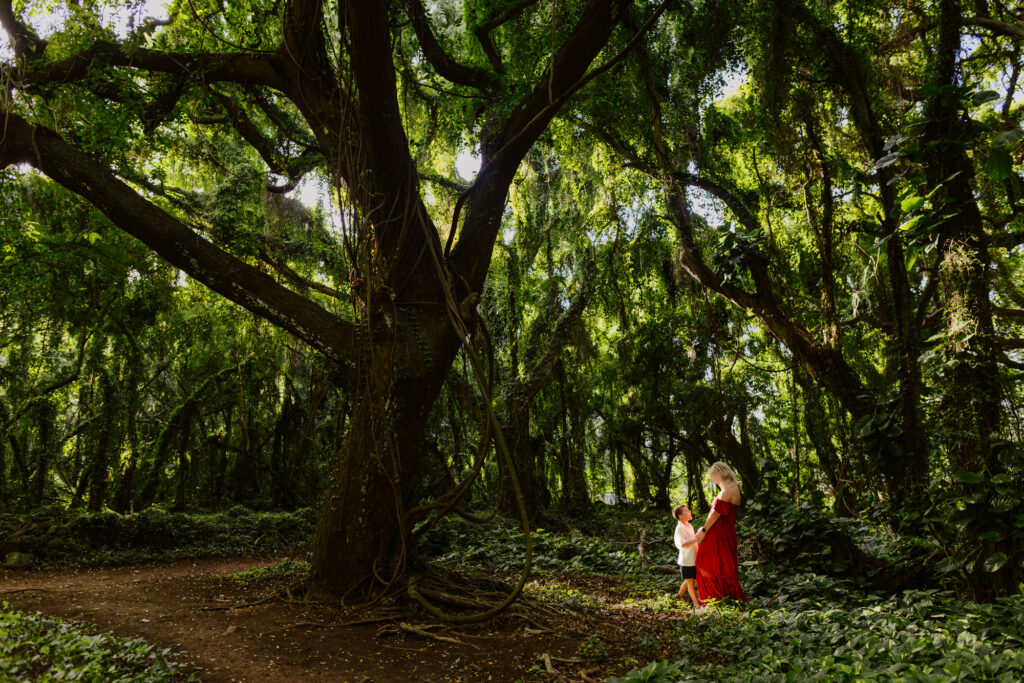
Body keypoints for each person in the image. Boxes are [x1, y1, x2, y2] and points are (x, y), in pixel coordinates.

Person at [694, 461, 749, 604]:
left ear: (721, 474)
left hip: (719, 533)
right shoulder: (733, 488)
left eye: (715, 478)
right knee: (723, 563)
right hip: (726, 532)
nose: (716, 481)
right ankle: (723, 595)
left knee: (704, 561)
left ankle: (715, 596)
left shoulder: (726, 491)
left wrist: (703, 530)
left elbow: (715, 515)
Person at [672, 503, 699, 608]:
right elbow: (683, 543)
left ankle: (680, 594)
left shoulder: (689, 525)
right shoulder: (680, 529)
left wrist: (699, 535)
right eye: (687, 511)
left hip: (694, 557)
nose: (690, 512)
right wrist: (697, 538)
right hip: (687, 560)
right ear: (680, 516)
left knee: (689, 579)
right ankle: (696, 605)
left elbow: (692, 539)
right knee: (690, 582)